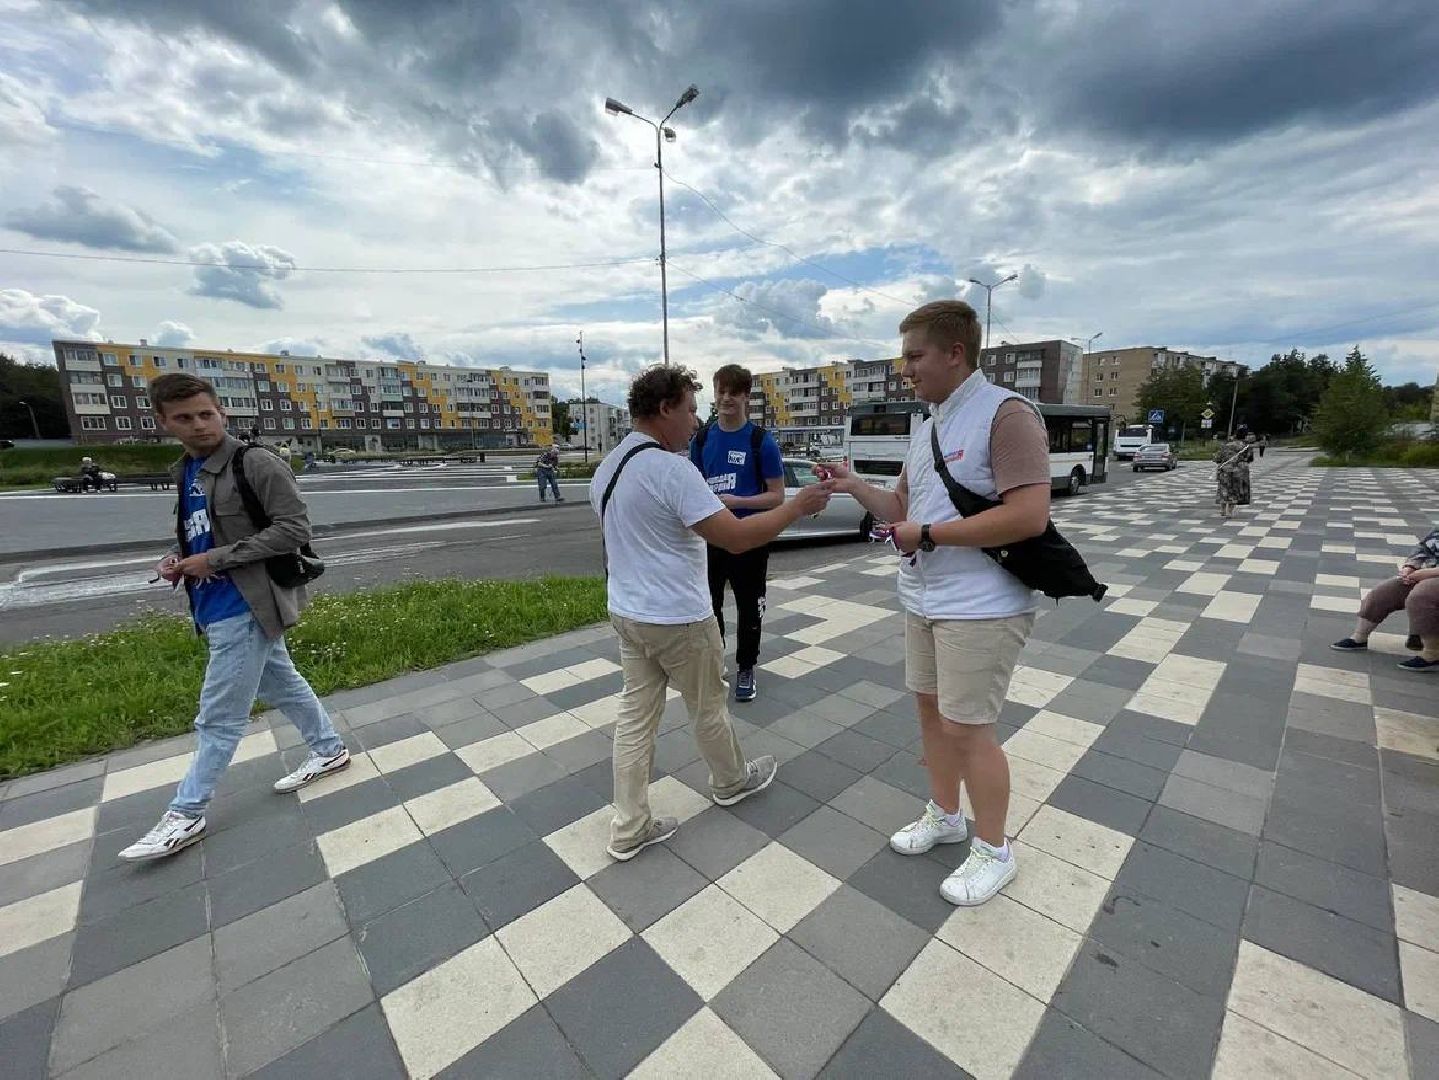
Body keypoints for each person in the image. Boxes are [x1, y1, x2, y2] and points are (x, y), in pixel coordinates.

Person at [821, 300, 1051, 906]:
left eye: (914, 356)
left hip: (981, 604)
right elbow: (903, 510)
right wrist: (853, 487)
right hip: (924, 597)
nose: (905, 369)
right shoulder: (928, 427)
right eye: (903, 358)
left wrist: (929, 536)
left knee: (969, 728)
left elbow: (1028, 516)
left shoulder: (1007, 415)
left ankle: (995, 850)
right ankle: (946, 815)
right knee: (931, 715)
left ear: (955, 353)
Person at [590, 364, 832, 861]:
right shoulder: (671, 469)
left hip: (627, 613)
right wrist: (797, 507)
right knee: (707, 705)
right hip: (678, 617)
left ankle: (628, 825)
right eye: (690, 409)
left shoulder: (607, 467)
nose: (695, 422)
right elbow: (737, 538)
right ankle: (731, 781)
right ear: (664, 410)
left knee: (635, 717)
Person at [119, 373, 350, 862]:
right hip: (211, 601)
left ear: (222, 412)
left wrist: (215, 560)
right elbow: (201, 535)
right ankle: (329, 750)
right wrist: (177, 559)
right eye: (184, 418)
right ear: (163, 422)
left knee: (219, 718)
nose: (200, 425)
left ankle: (187, 812)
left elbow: (294, 529)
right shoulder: (187, 470)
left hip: (245, 603)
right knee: (283, 683)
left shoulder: (256, 463)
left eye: (207, 414)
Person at [689, 364, 786, 702]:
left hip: (750, 538)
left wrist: (737, 500)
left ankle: (747, 666)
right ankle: (717, 660)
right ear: (714, 395)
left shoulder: (761, 442)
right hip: (712, 539)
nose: (726, 398)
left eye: (734, 392)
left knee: (749, 606)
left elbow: (777, 496)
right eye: (721, 391)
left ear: (746, 396)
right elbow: (692, 488)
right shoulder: (701, 439)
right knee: (708, 605)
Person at [1332, 528, 1439, 672]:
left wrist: (1427, 573)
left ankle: (1433, 653)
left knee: (1422, 596)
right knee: (1387, 591)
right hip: (1428, 573)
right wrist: (1410, 567)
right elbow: (1423, 548)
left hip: (1432, 575)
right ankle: (1359, 637)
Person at [1214, 426, 1253, 519]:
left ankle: (1222, 509)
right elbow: (1250, 458)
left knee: (1224, 489)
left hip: (1224, 470)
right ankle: (1230, 512)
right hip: (1239, 471)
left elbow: (1217, 458)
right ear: (1245, 436)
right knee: (1235, 490)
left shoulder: (1226, 444)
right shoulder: (1246, 446)